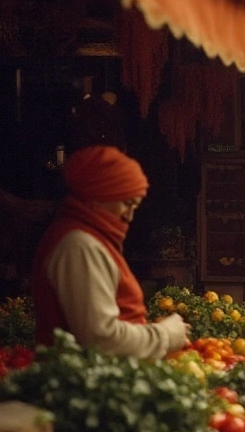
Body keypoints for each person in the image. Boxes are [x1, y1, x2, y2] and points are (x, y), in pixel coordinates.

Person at [31, 146, 188, 359]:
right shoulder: (79, 245)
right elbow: (101, 339)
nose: (130, 217)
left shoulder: (85, 238)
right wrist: (165, 335)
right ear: (99, 196)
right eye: (126, 203)